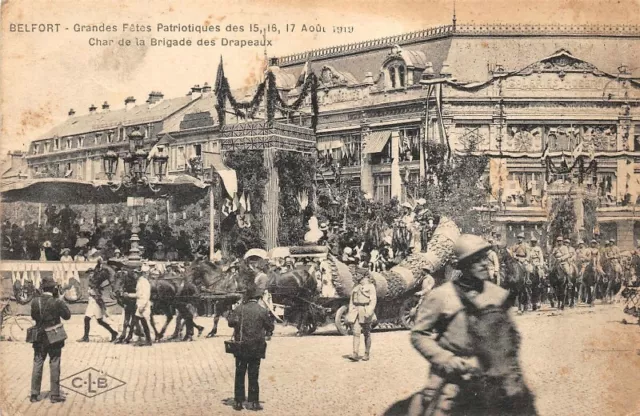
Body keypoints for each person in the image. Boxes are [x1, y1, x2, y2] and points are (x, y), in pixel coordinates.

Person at [410, 234, 515, 414]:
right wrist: (446, 359)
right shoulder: (441, 296)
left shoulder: (498, 295)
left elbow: (508, 337)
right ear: (464, 265)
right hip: (451, 377)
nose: (485, 264)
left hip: (493, 375)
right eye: (477, 260)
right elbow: (419, 334)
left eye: (486, 258)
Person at [227, 280, 274, 411]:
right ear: (258, 297)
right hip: (256, 347)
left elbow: (230, 323)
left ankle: (238, 401)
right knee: (254, 374)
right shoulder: (262, 311)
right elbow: (270, 326)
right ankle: (253, 402)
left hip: (241, 346)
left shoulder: (239, 309)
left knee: (240, 374)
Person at [30, 276, 71, 403]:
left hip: (39, 336)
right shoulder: (57, 301)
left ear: (42, 288)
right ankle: (54, 395)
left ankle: (34, 394)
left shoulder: (35, 301)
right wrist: (61, 300)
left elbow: (33, 316)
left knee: (38, 362)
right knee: (55, 362)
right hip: (54, 336)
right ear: (53, 288)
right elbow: (67, 316)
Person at [77, 262, 119, 343]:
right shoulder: (92, 280)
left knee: (92, 319)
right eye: (89, 273)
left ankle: (113, 333)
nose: (90, 274)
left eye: (91, 272)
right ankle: (113, 333)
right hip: (92, 301)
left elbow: (103, 287)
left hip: (96, 301)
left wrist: (97, 293)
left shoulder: (97, 280)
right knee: (93, 320)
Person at [346, 271, 377, 362]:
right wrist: (350, 313)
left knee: (366, 333)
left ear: (363, 276)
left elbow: (373, 300)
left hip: (365, 310)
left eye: (358, 274)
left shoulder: (371, 287)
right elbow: (351, 302)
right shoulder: (355, 287)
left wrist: (370, 311)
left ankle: (366, 353)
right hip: (356, 311)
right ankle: (355, 353)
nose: (356, 276)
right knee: (356, 332)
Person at [125, 263, 153, 346]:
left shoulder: (143, 282)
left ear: (139, 274)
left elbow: (145, 295)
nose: (134, 275)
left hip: (143, 305)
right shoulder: (140, 281)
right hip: (140, 305)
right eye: (134, 273)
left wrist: (142, 306)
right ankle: (144, 338)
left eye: (135, 273)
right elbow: (139, 294)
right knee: (138, 322)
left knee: (142, 322)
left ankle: (146, 339)